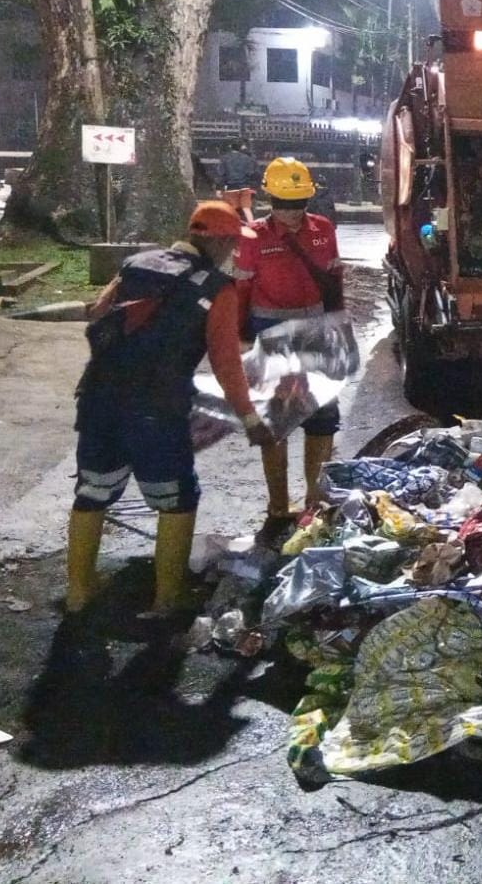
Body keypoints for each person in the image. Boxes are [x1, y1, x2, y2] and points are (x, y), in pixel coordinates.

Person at [66, 201, 276, 615]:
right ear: (215, 241)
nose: (235, 251)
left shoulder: (135, 264)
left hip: (99, 398)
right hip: (157, 410)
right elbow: (226, 365)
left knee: (92, 492)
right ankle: (166, 599)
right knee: (177, 499)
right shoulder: (217, 289)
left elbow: (98, 314)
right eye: (232, 243)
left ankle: (78, 593)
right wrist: (250, 418)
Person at [234, 156, 344, 531]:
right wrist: (240, 335)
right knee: (276, 423)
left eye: (299, 203)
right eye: (284, 203)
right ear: (270, 199)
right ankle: (278, 505)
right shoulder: (254, 238)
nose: (292, 212)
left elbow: (333, 279)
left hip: (314, 331)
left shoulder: (323, 230)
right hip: (271, 333)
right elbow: (241, 288)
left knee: (322, 419)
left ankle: (315, 502)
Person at [219, 139, 260, 223]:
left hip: (231, 186)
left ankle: (230, 226)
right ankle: (251, 225)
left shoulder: (225, 158)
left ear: (231, 147)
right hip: (245, 186)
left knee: (231, 208)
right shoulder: (248, 158)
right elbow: (252, 172)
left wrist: (219, 187)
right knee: (246, 209)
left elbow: (222, 174)